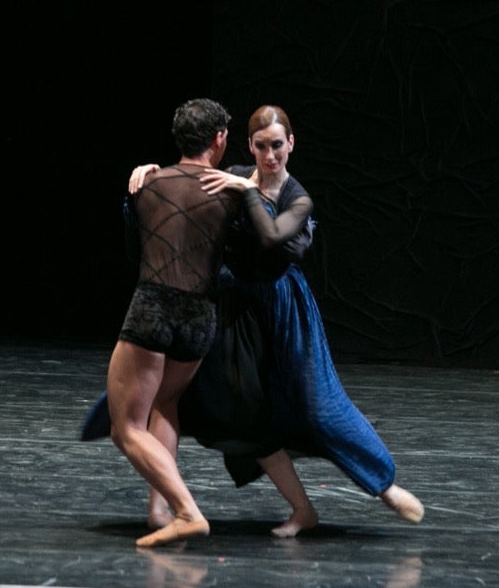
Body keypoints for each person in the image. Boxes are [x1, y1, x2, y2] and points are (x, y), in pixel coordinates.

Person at [94, 105, 424, 537]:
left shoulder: (296, 198)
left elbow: (270, 238)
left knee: (316, 405)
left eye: (278, 146)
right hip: (230, 303)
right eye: (262, 147)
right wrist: (147, 177)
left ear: (291, 145)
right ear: (248, 145)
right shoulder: (230, 176)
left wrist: (244, 191)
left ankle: (382, 484)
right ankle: (166, 507)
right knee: (227, 405)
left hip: (281, 308)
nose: (270, 156)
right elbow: (184, 203)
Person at [105, 98, 251, 548]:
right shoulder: (232, 188)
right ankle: (159, 509)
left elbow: (136, 252)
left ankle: (186, 510)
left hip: (153, 307)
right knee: (165, 403)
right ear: (220, 139)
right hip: (200, 316)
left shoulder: (148, 184)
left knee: (125, 427)